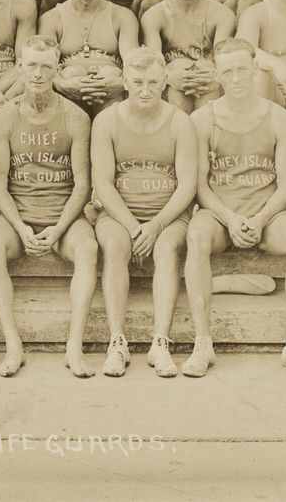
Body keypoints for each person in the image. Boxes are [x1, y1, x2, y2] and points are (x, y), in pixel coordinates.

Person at [182, 39, 286, 378]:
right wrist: (230, 218)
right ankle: (203, 343)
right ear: (217, 75)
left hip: (269, 212)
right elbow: (200, 187)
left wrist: (259, 219)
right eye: (227, 71)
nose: (236, 78)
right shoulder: (202, 119)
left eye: (242, 69)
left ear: (255, 69)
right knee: (197, 234)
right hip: (220, 213)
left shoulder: (280, 118)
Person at [0, 37, 97, 377]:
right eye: (31, 65)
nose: (37, 73)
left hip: (62, 212)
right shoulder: (4, 117)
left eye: (46, 65)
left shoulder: (76, 117)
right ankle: (13, 345)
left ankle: (74, 347)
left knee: (89, 247)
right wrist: (21, 229)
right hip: (19, 212)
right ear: (20, 67)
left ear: (58, 69)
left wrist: (58, 229)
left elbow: (82, 184)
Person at [90, 48, 198, 377]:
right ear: (125, 81)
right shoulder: (107, 120)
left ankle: (160, 342)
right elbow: (103, 184)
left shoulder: (180, 121)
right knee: (114, 245)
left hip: (167, 215)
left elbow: (187, 185)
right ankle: (117, 341)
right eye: (137, 82)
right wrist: (134, 226)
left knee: (167, 249)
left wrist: (155, 226)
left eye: (153, 82)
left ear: (165, 82)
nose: (145, 90)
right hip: (119, 213)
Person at [140, 0, 237, 112]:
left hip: (209, 87)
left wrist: (211, 76)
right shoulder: (155, 16)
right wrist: (171, 77)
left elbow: (221, 63)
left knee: (206, 68)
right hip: (171, 90)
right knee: (177, 67)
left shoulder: (222, 14)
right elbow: (154, 63)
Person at [39, 0, 139, 114]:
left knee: (111, 73)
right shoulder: (52, 18)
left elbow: (132, 61)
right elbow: (44, 64)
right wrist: (61, 84)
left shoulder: (122, 16)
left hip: (110, 89)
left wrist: (121, 82)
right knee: (72, 73)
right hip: (70, 87)